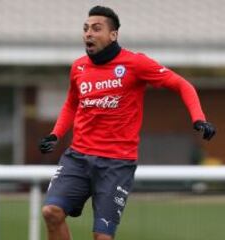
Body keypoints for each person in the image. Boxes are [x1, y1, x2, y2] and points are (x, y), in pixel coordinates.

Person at [38, 5, 216, 240]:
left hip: (116, 164)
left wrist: (198, 118)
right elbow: (72, 103)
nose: (88, 33)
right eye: (85, 28)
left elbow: (182, 85)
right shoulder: (78, 67)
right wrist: (55, 134)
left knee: (102, 237)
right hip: (78, 158)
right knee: (51, 212)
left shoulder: (135, 63)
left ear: (113, 35)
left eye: (96, 28)